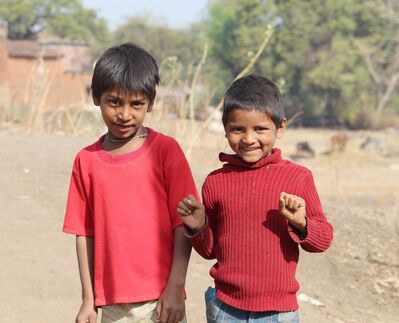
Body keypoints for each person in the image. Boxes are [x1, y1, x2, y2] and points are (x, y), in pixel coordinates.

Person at [177, 74, 333, 322]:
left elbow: (322, 241)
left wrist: (302, 223)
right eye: (238, 129)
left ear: (280, 128)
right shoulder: (216, 182)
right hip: (225, 308)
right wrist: (198, 226)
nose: (249, 139)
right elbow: (210, 251)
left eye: (260, 129)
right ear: (226, 129)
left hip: (278, 312)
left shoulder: (298, 177)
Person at [63, 43, 198, 323]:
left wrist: (176, 287)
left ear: (150, 103)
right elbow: (84, 234)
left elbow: (183, 224)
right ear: (96, 98)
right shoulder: (85, 161)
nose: (125, 114)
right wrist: (89, 299)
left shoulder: (166, 151)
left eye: (136, 103)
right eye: (114, 102)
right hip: (112, 304)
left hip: (161, 301)